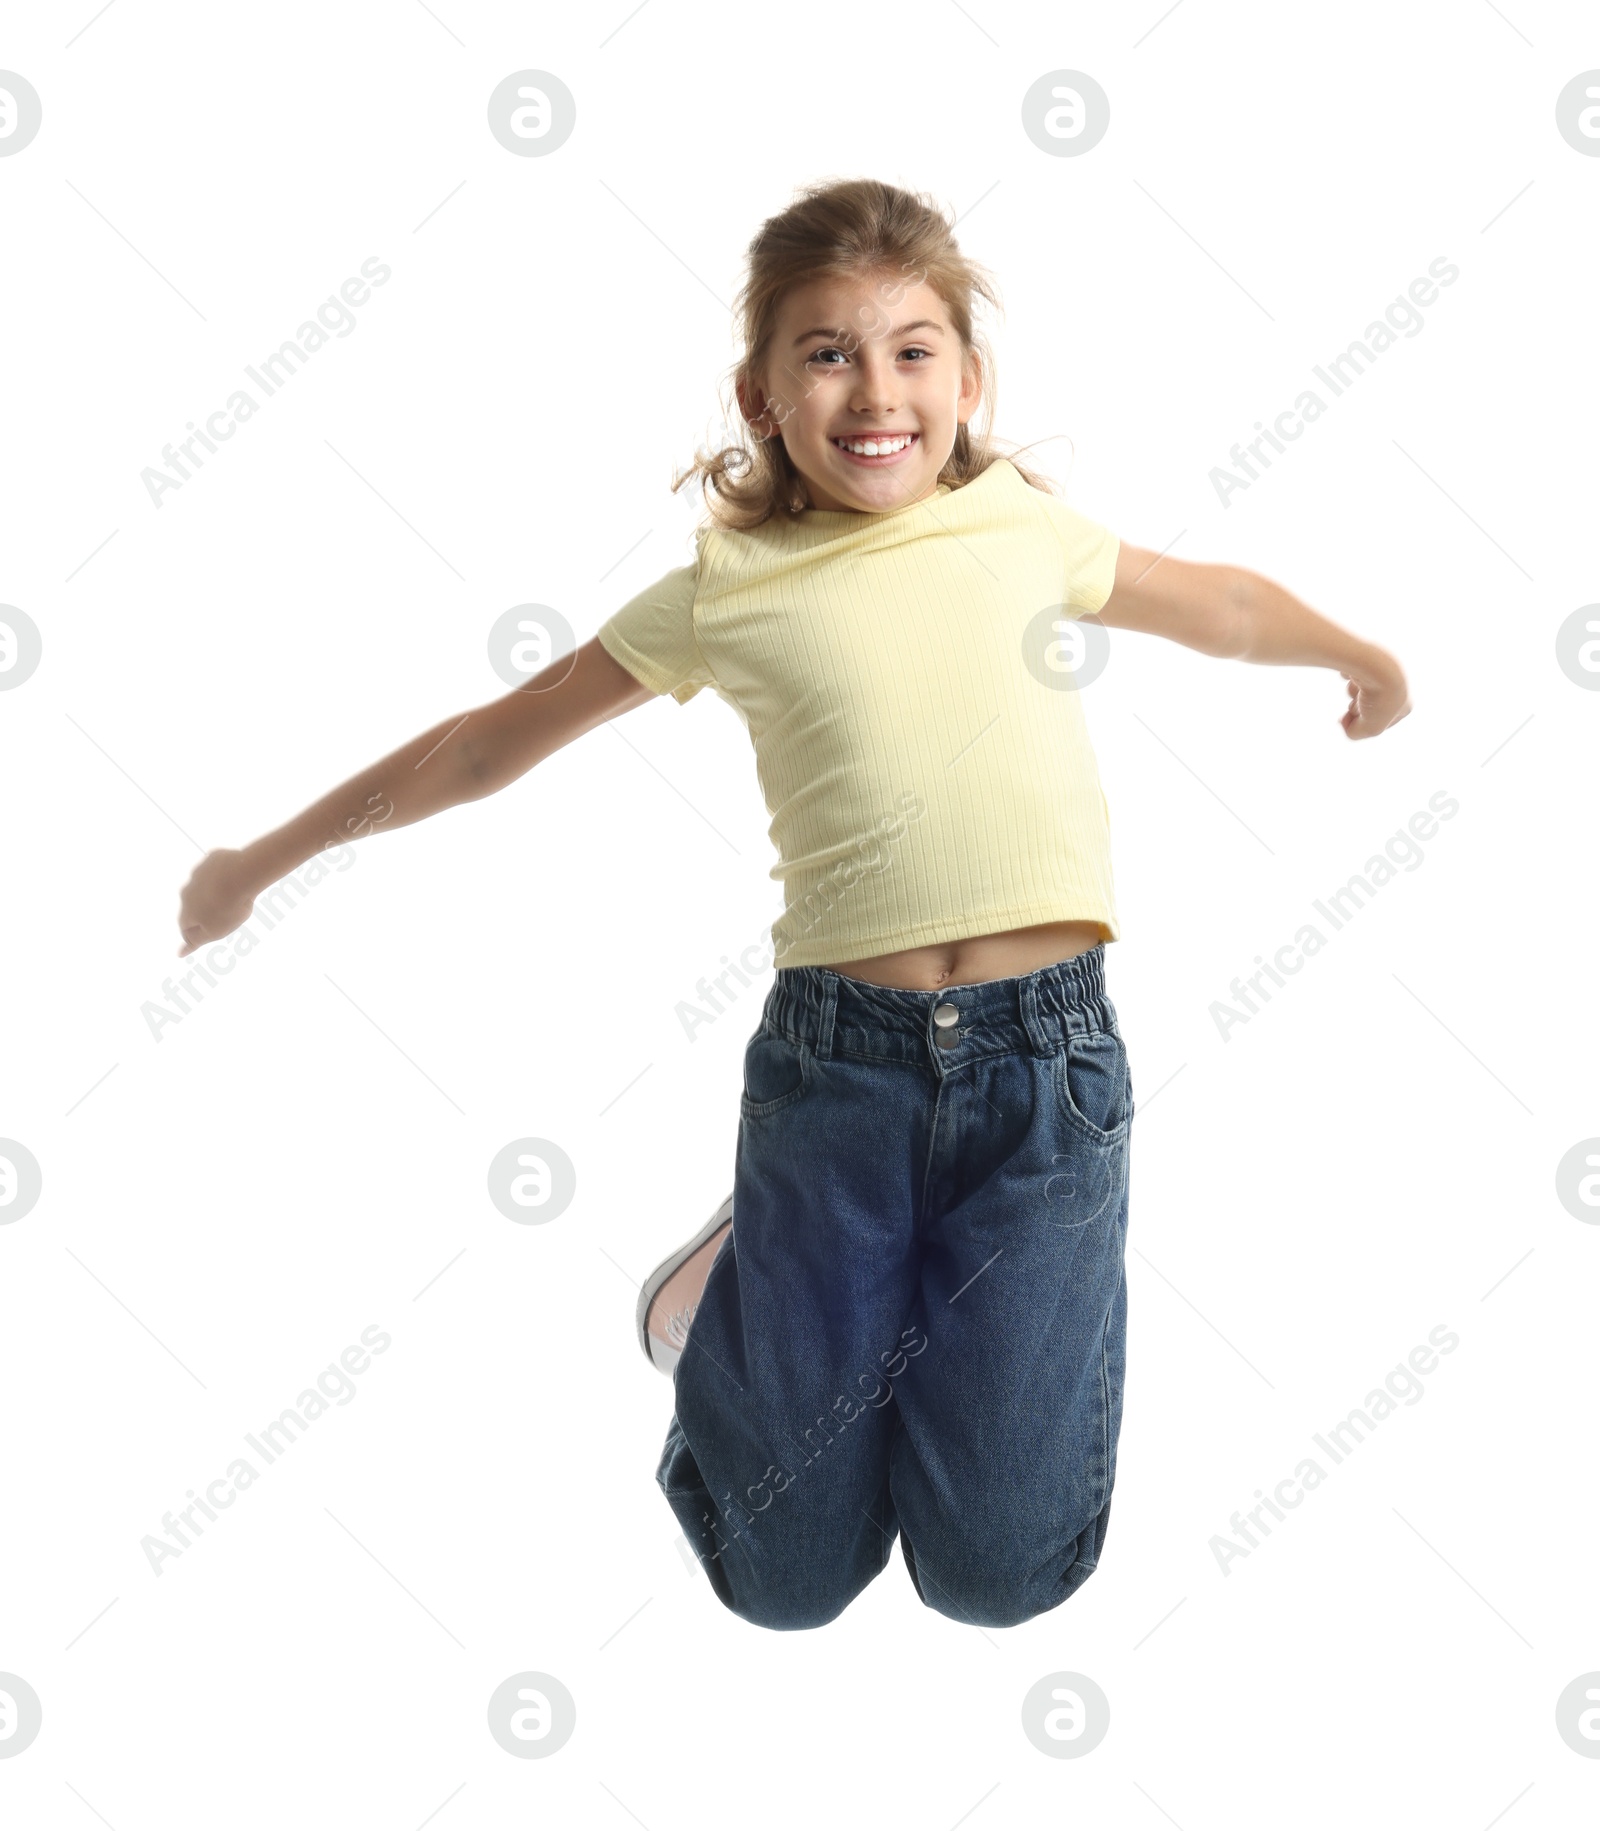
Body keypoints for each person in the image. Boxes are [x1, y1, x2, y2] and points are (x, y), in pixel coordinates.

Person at [176, 177, 1410, 1634]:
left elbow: (1221, 605)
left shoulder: (1019, 524)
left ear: (966, 379)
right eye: (827, 353)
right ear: (762, 396)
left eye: (910, 350)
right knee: (786, 1584)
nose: (874, 390)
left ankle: (851, 1326)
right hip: (840, 1073)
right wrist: (258, 862)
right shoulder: (729, 588)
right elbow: (485, 745)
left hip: (1048, 1076)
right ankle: (744, 1292)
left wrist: (1360, 655)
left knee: (998, 1580)